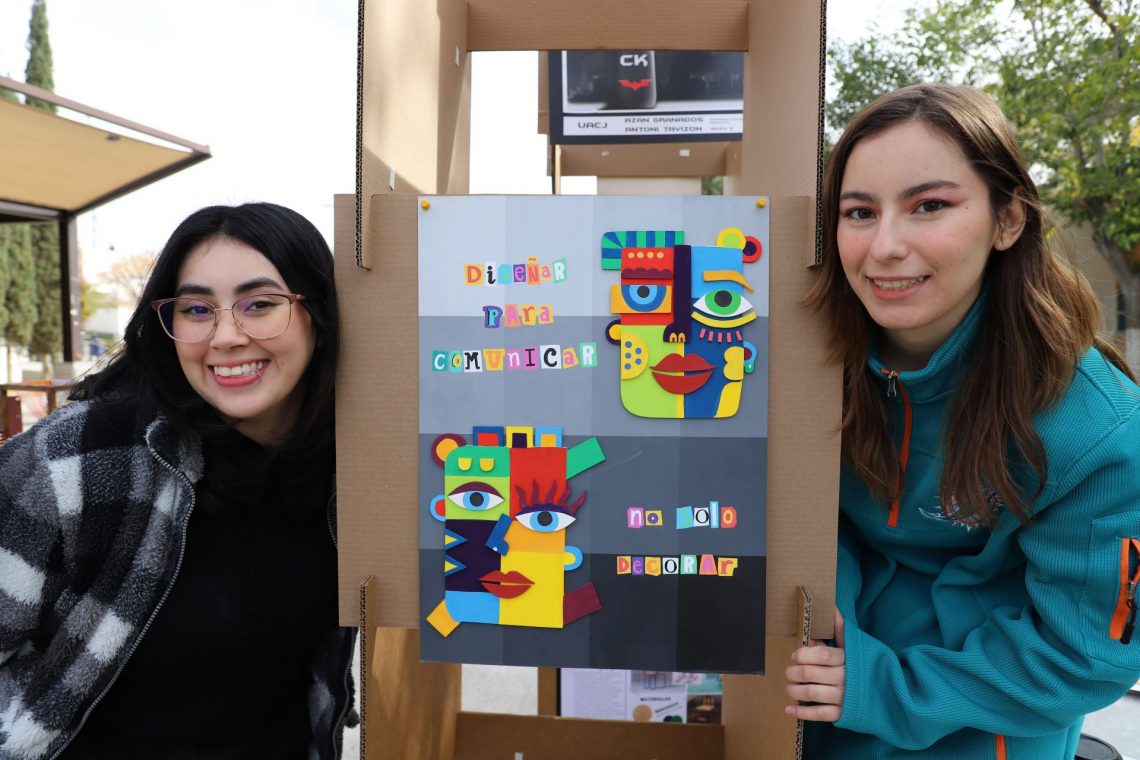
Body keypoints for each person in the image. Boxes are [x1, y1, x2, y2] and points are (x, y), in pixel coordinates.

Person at [787, 83, 1140, 759]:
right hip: (817, 699)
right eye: (859, 212)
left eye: (929, 206)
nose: (884, 246)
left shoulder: (1096, 426)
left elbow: (1086, 655)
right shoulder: (803, 363)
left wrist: (882, 687)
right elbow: (804, 513)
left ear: (1008, 220)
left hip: (986, 726)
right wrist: (818, 593)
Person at [0, 203, 355, 759]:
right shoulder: (80, 457)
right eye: (196, 310)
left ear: (320, 315)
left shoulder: (353, 466)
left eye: (260, 305)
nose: (226, 336)